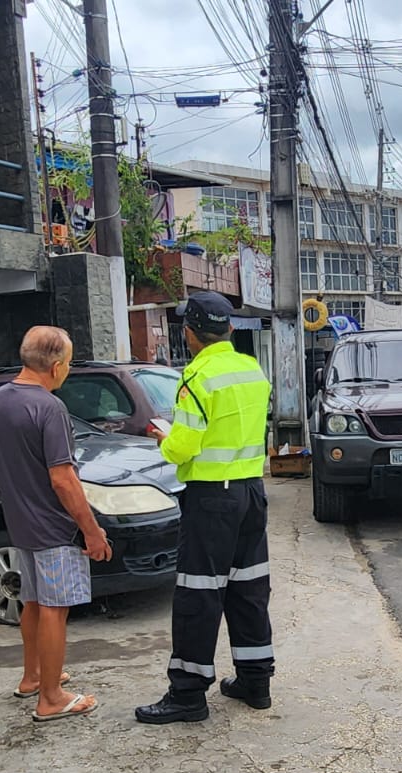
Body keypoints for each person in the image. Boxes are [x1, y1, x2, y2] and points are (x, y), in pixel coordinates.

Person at [135, 292, 274, 725]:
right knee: (248, 589)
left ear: (190, 333)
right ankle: (256, 682)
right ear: (229, 329)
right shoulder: (252, 370)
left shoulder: (196, 377)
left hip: (212, 499)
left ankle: (188, 694)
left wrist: (164, 439)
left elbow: (184, 446)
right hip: (251, 494)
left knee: (198, 593)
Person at [0, 326, 113, 723]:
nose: (68, 370)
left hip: (20, 522)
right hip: (55, 528)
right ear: (56, 367)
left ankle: (34, 677)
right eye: (69, 364)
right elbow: (63, 478)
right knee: (56, 608)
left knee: (35, 603)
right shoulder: (49, 408)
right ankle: (52, 698)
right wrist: (92, 530)